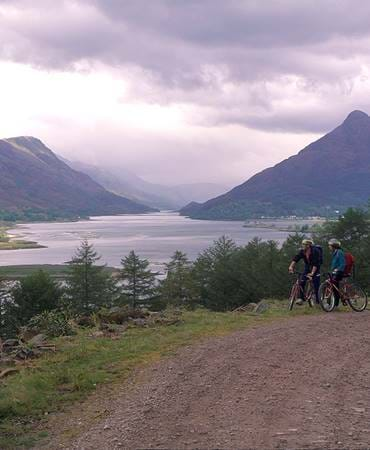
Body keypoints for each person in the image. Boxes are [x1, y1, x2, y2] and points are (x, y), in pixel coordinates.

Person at [288, 239, 321, 305]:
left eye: (304, 244)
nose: (303, 246)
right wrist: (291, 266)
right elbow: (296, 258)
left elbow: (316, 263)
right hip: (308, 267)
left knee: (316, 284)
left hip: (316, 267)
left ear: (308, 245)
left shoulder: (315, 251)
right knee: (302, 281)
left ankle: (318, 301)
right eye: (302, 244)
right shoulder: (302, 251)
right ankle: (301, 298)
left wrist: (312, 273)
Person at [328, 238, 346, 307]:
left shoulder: (339, 252)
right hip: (335, 272)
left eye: (330, 245)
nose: (329, 247)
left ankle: (335, 304)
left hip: (339, 272)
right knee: (333, 286)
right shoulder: (335, 253)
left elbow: (343, 263)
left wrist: (337, 270)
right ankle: (334, 304)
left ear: (333, 246)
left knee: (334, 285)